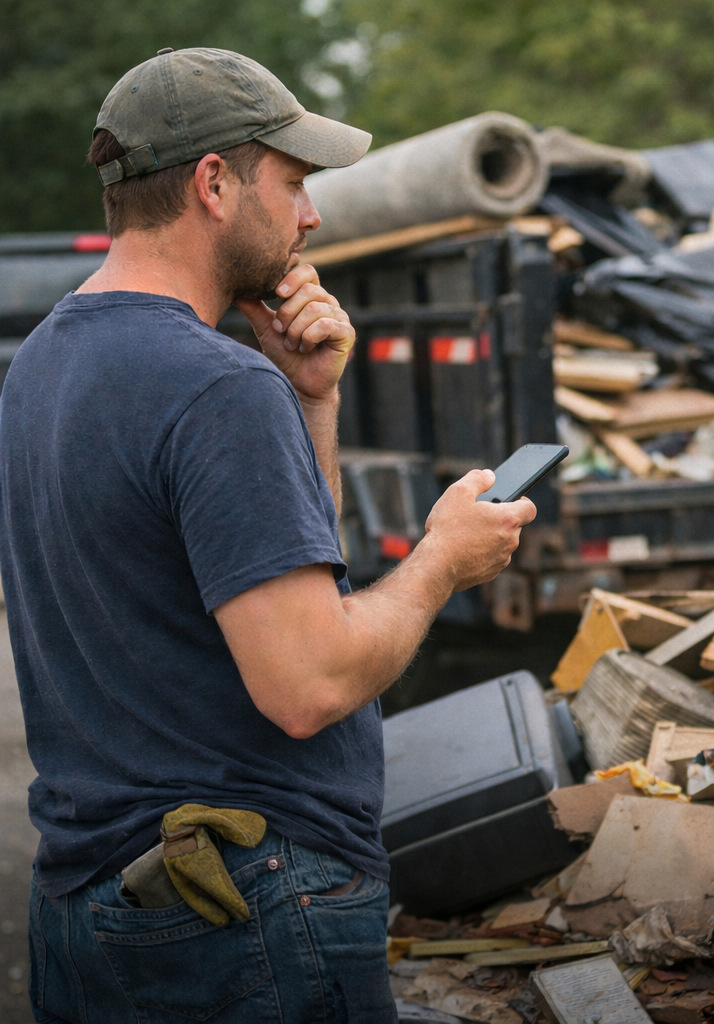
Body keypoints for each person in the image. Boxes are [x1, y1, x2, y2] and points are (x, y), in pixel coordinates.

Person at [0, 47, 535, 1024]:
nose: (310, 215)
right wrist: (439, 562)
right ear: (214, 183)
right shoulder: (213, 385)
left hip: (91, 901)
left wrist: (308, 398)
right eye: (291, 182)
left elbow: (279, 583)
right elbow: (307, 680)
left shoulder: (43, 363)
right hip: (237, 911)